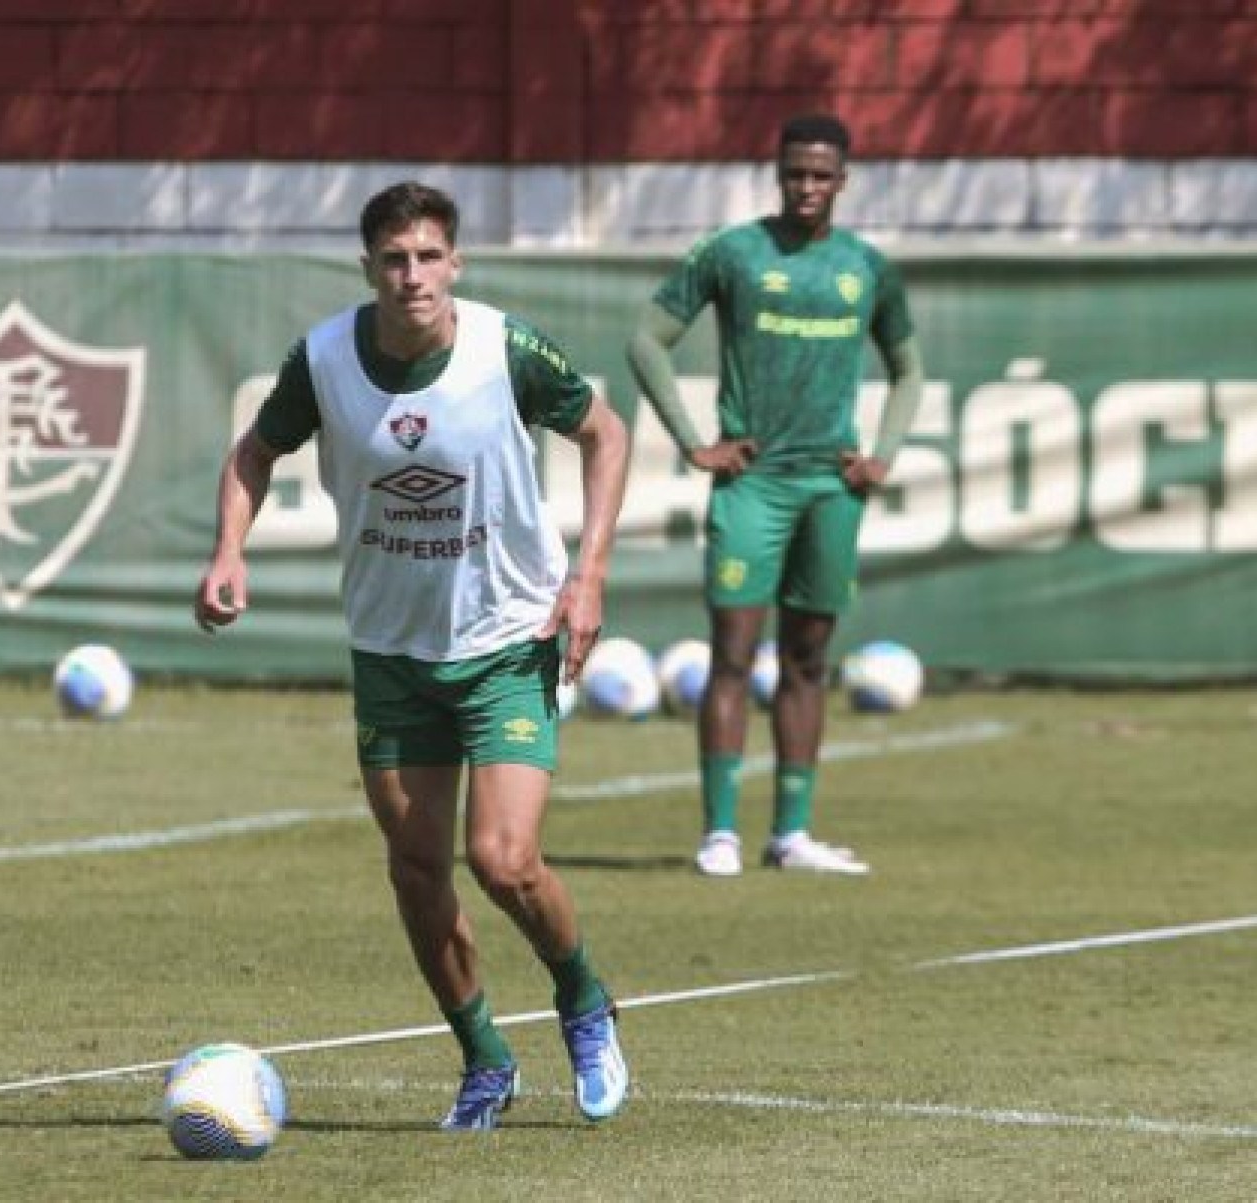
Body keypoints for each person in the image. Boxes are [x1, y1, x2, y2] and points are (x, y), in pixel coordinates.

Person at [194, 181, 632, 1130]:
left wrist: (588, 574)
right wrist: (229, 547)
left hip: (509, 637)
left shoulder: (503, 349)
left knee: (504, 860)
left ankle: (585, 1000)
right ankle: (483, 1057)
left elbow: (606, 432)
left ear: (456, 265)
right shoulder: (321, 361)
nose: (413, 276)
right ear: (369, 270)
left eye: (430, 257)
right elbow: (253, 451)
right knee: (417, 866)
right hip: (392, 652)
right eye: (395, 260)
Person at [625, 114, 926, 879]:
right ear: (778, 173)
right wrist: (697, 441)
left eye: (822, 176)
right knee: (732, 655)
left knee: (808, 659)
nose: (807, 188)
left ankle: (791, 832)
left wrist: (881, 455)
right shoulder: (734, 253)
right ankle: (719, 832)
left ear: (843, 180)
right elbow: (645, 340)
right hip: (752, 485)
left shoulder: (867, 267)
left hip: (830, 489)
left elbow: (908, 368)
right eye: (795, 174)